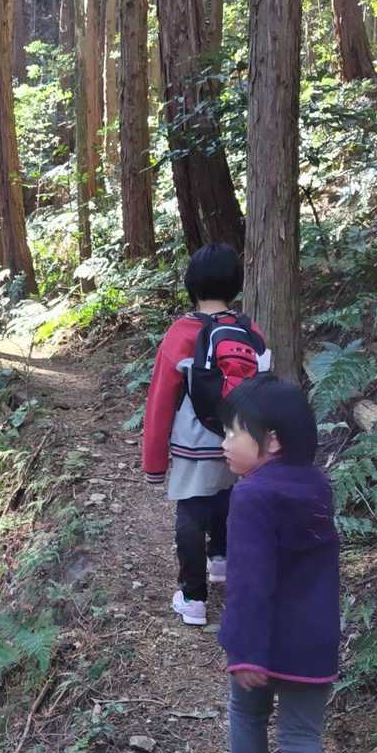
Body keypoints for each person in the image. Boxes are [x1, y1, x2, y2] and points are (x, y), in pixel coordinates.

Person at [208, 375, 340, 753]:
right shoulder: (318, 487)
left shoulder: (252, 495)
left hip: (262, 641)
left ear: (273, 441)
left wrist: (244, 651)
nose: (225, 441)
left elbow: (249, 581)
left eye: (234, 432)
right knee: (303, 737)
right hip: (315, 640)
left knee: (247, 713)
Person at [142, 244, 269, 627]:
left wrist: (154, 464)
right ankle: (222, 560)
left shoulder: (182, 333)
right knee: (226, 496)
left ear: (191, 284)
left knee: (192, 511)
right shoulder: (250, 330)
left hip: (193, 442)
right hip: (240, 438)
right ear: (235, 284)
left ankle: (193, 598)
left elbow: (161, 401)